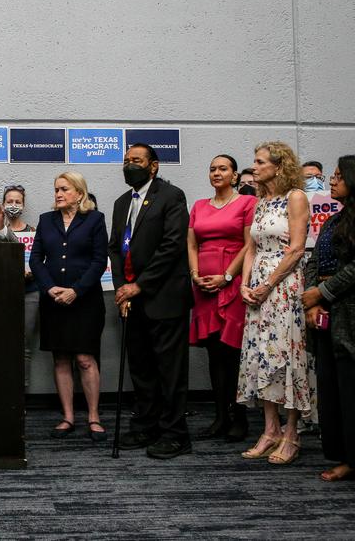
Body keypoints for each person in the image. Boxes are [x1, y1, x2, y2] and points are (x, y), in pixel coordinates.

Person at [302, 156, 355, 505]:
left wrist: (322, 293)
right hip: (330, 319)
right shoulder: (334, 219)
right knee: (340, 393)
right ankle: (354, 460)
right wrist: (312, 301)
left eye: (338, 176)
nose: (332, 182)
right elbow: (312, 262)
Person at [108, 143, 193, 459]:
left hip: (163, 297)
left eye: (137, 161)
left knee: (169, 370)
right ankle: (146, 425)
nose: (130, 165)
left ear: (153, 166)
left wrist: (139, 286)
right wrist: (122, 288)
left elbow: (172, 247)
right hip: (132, 299)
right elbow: (115, 249)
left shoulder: (171, 197)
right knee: (141, 368)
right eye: (127, 160)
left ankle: (175, 434)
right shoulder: (121, 203)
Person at [237, 141, 311, 464]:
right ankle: (270, 430)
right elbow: (251, 247)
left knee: (286, 355)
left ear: (279, 166)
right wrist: (243, 283)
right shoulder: (260, 200)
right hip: (257, 288)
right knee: (260, 355)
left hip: (283, 286)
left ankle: (292, 433)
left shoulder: (295, 197)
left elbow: (295, 249)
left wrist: (268, 283)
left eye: (260, 162)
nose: (254, 167)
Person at [30, 173, 108, 443]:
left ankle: (94, 416)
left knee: (85, 359)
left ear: (79, 192)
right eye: (56, 189)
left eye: (64, 189)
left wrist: (76, 290)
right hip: (53, 300)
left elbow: (99, 261)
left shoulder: (95, 220)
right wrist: (50, 288)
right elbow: (36, 259)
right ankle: (68, 416)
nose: (58, 194)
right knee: (61, 358)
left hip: (85, 300)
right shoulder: (45, 220)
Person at [187, 155, 257, 442]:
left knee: (234, 353)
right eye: (212, 168)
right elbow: (191, 243)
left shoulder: (246, 203)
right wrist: (194, 274)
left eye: (223, 169)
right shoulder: (199, 206)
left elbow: (249, 244)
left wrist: (227, 276)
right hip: (204, 286)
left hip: (233, 282)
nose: (216, 173)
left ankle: (239, 417)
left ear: (235, 175)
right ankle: (220, 416)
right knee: (214, 354)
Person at [3, 184, 39, 388]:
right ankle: (4, 393)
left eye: (17, 202)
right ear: (3, 204)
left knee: (24, 347)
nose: (13, 205)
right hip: (4, 293)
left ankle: (20, 396)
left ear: (23, 205)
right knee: (3, 344)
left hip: (30, 293)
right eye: (10, 201)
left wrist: (31, 272)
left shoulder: (33, 232)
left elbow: (41, 261)